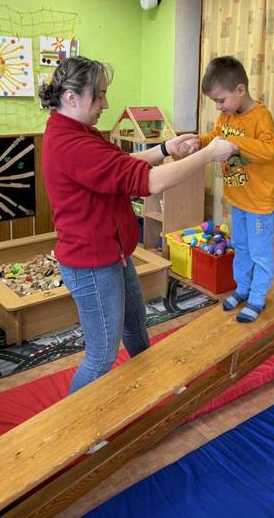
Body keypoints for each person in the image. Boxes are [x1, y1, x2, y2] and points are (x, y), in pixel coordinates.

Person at [40, 56, 235, 397]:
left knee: (136, 327)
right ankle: (71, 422)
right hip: (91, 265)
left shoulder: (78, 132)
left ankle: (152, 385)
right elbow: (150, 182)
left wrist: (166, 148)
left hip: (114, 255)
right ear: (71, 97)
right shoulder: (70, 143)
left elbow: (121, 164)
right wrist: (206, 155)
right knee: (101, 356)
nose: (105, 104)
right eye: (100, 96)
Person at [178, 55, 274, 323]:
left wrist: (236, 143)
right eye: (215, 102)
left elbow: (268, 150)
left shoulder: (260, 116)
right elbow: (217, 137)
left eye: (221, 100)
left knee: (260, 253)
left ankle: (258, 298)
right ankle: (242, 289)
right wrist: (199, 142)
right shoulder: (227, 116)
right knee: (241, 247)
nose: (219, 107)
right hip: (239, 199)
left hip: (260, 203)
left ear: (240, 90)